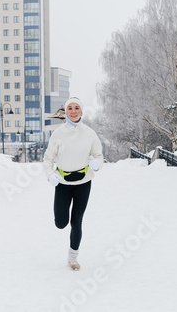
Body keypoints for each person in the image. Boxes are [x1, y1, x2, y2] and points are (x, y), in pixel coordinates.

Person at [43, 97, 104, 271]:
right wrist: (50, 175)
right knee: (61, 223)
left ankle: (73, 258)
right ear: (66, 111)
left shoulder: (90, 133)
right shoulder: (58, 134)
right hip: (63, 183)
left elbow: (98, 155)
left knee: (77, 221)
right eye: (70, 108)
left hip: (83, 182)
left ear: (81, 111)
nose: (73, 111)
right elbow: (48, 158)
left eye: (77, 108)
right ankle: (61, 223)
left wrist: (97, 164)